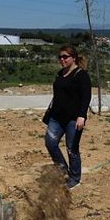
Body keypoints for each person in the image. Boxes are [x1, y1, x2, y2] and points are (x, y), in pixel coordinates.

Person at [44, 45, 92, 189]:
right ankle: (63, 171)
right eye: (60, 57)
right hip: (57, 117)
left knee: (72, 148)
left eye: (65, 57)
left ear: (74, 58)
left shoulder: (81, 75)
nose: (62, 59)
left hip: (73, 119)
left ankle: (75, 178)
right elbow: (57, 96)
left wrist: (82, 116)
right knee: (50, 143)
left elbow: (86, 97)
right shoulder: (60, 74)